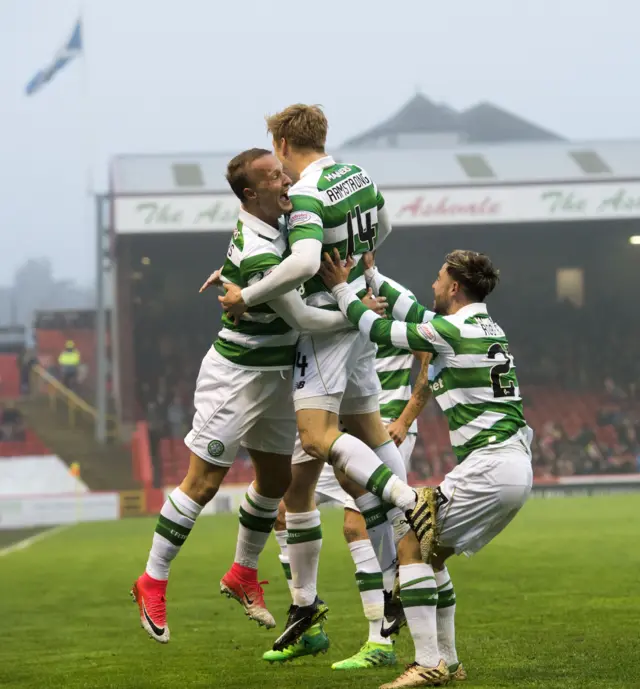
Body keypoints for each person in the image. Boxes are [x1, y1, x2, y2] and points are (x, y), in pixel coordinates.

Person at [131, 148, 381, 644]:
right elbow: (305, 320)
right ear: (251, 194)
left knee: (275, 479)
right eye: (275, 177)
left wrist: (233, 277)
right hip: (237, 376)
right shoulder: (259, 248)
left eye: (284, 171)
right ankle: (151, 579)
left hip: (279, 376)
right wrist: (358, 313)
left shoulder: (281, 221)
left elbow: (263, 260)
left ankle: (243, 574)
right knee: (202, 484)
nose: (287, 179)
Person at [219, 105, 436, 651]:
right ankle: (390, 571)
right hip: (357, 318)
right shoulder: (356, 175)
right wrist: (362, 256)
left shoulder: (312, 189)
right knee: (367, 431)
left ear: (285, 141)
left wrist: (248, 292)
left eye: (276, 147)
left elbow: (302, 261)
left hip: (325, 326)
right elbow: (385, 225)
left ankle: (410, 502)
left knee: (316, 437)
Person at [320, 249, 533, 688]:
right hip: (513, 463)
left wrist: (341, 288)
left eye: (438, 278)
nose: (433, 285)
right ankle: (448, 662)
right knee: (431, 552)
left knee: (411, 541)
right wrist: (373, 275)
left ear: (454, 286)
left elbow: (379, 326)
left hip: (492, 465)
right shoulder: (484, 326)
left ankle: (429, 662)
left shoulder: (451, 329)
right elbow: (414, 310)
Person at [264, 324, 433, 669]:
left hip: (381, 425)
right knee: (285, 509)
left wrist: (405, 417)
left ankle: (380, 640)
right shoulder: (338, 301)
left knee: (356, 525)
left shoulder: (384, 301)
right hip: (338, 422)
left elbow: (430, 357)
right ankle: (306, 616)